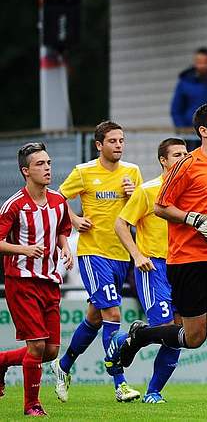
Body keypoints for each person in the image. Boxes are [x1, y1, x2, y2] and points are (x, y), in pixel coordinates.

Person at [106, 102, 207, 416]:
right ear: (203, 131)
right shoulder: (186, 165)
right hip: (187, 261)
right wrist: (193, 220)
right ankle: (140, 336)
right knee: (194, 337)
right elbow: (161, 207)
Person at [53, 121, 144, 403]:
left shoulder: (132, 172)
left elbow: (142, 211)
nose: (118, 145)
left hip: (121, 254)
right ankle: (120, 383)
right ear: (99, 145)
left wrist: (133, 196)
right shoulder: (84, 172)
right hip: (93, 253)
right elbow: (57, 198)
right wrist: (75, 219)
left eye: (121, 141)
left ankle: (63, 365)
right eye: (113, 141)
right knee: (113, 315)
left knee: (95, 317)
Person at [112, 137, 189, 403]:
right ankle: (125, 339)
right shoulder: (148, 191)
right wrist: (137, 255)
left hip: (184, 269)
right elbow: (121, 224)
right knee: (166, 328)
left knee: (182, 335)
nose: (183, 158)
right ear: (163, 161)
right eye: (177, 155)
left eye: (186, 154)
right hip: (154, 267)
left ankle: (153, 392)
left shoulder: (191, 191)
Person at [0, 142, 73, 416]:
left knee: (51, 351)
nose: (47, 168)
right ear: (25, 171)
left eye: (49, 163)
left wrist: (65, 248)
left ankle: (3, 361)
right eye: (40, 164)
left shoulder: (58, 202)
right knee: (37, 345)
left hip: (50, 280)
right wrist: (23, 249)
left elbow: (62, 230)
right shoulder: (14, 205)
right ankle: (32, 405)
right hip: (22, 281)